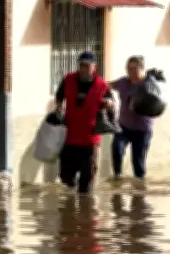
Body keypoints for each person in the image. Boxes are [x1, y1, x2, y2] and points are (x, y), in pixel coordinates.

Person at [54, 51, 114, 193]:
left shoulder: (102, 85)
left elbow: (111, 102)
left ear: (94, 66)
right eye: (82, 65)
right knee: (65, 176)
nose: (84, 68)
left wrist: (108, 103)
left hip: (90, 139)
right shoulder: (68, 80)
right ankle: (72, 199)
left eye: (87, 65)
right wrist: (59, 106)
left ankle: (85, 204)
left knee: (86, 182)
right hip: (70, 136)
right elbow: (59, 96)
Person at [109, 56, 153, 180]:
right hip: (124, 126)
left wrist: (152, 78)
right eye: (128, 68)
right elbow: (107, 86)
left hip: (142, 129)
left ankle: (139, 185)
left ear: (141, 69)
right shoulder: (123, 82)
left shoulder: (148, 83)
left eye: (134, 68)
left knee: (138, 162)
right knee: (117, 148)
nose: (131, 71)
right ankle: (117, 177)